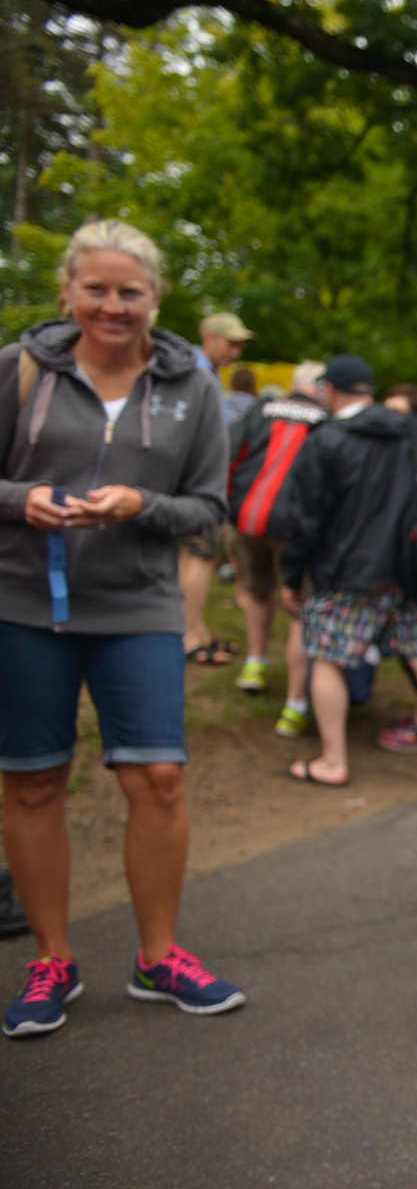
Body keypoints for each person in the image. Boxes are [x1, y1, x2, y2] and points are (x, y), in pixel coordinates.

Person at [0, 218, 246, 1038]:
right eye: (96, 289)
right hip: (24, 602)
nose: (112, 306)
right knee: (34, 780)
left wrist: (143, 506)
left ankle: (157, 954)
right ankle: (52, 959)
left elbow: (211, 510)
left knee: (158, 781)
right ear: (68, 290)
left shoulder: (192, 388)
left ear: (156, 298)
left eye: (129, 292)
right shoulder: (21, 371)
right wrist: (18, 500)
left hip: (139, 604)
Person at [272, 355, 417, 786]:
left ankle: (333, 762)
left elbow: (307, 518)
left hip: (346, 572)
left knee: (329, 660)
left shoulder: (327, 439)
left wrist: (291, 575)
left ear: (329, 392)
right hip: (414, 568)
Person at [226, 360, 330, 701]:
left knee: (257, 592)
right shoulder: (326, 422)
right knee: (299, 606)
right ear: (321, 388)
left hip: (247, 517)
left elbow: (229, 455)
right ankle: (296, 703)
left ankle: (255, 661)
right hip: (296, 528)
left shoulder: (260, 410)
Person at [178, 311, 255, 666]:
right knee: (201, 555)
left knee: (201, 556)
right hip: (196, 482)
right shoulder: (195, 371)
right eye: (231, 342)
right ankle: (189, 636)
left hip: (196, 479)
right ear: (209, 337)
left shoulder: (202, 370)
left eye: (239, 344)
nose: (235, 352)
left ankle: (197, 629)